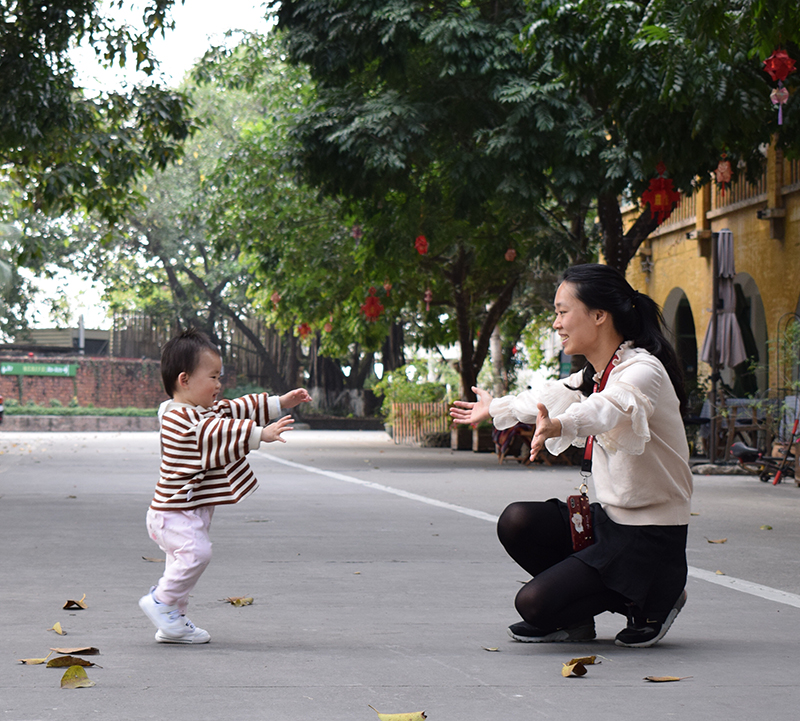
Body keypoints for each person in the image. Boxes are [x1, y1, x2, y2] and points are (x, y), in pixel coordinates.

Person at [451, 264, 692, 648]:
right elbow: (545, 398)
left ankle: (654, 598)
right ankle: (575, 618)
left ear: (599, 315)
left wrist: (562, 424)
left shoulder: (642, 370)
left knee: (532, 603)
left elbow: (608, 408)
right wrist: (494, 407)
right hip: (611, 521)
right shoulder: (595, 374)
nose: (556, 323)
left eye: (563, 312)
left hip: (651, 537)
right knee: (517, 520)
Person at [138, 328, 312, 644]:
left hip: (186, 510)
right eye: (213, 377)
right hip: (173, 513)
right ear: (184, 380)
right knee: (197, 554)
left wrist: (279, 402)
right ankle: (160, 602)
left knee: (182, 568)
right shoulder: (180, 419)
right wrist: (260, 434)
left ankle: (172, 622)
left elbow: (233, 409)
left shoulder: (199, 410)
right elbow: (214, 432)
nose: (219, 384)